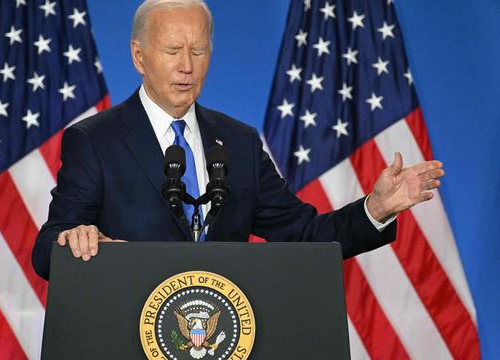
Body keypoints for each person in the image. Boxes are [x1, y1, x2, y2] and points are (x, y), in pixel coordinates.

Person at [32, 0, 444, 280]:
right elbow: (48, 246)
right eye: (173, 49)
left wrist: (376, 208)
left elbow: (303, 236)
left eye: (199, 50)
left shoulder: (238, 143)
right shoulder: (94, 140)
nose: (186, 66)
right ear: (139, 56)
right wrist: (74, 239)